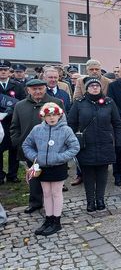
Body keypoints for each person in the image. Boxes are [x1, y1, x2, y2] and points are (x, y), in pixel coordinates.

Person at [22, 103, 79, 236]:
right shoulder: (37, 129)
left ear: (60, 115)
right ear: (43, 116)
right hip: (43, 167)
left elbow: (74, 147)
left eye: (54, 115)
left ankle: (56, 221)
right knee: (46, 193)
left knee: (56, 192)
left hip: (58, 166)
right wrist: (36, 157)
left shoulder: (66, 130)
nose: (52, 118)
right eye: (48, 115)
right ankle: (48, 219)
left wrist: (59, 157)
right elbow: (27, 145)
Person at [68, 77, 121, 212]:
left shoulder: (109, 102)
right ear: (87, 88)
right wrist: (73, 141)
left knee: (102, 173)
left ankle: (100, 199)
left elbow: (116, 123)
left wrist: (119, 141)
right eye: (91, 86)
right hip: (86, 144)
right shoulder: (79, 103)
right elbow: (71, 123)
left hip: (105, 142)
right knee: (88, 174)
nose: (94, 88)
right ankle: (90, 201)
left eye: (97, 85)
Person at [11, 79, 64, 214]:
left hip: (51, 149)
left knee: (51, 180)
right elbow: (14, 127)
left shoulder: (55, 102)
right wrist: (18, 141)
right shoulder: (20, 105)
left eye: (40, 88)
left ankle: (53, 205)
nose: (37, 91)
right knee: (34, 176)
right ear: (28, 90)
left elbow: (63, 124)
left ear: (45, 88)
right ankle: (35, 202)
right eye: (34, 89)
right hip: (30, 149)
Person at [0, 60, 26, 185]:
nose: (3, 72)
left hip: (13, 122)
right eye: (0, 70)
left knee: (14, 149)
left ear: (9, 71)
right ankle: (0, 175)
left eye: (5, 69)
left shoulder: (17, 85)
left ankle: (12, 174)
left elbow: (23, 101)